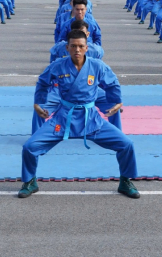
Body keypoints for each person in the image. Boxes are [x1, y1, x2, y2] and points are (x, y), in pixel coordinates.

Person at [18, 30, 139, 199]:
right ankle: (30, 181)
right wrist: (38, 103)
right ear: (67, 47)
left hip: (91, 119)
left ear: (86, 48)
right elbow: (43, 82)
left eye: (81, 46)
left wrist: (117, 101)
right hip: (63, 118)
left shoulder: (97, 66)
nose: (77, 49)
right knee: (29, 147)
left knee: (126, 144)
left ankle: (125, 181)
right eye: (73, 46)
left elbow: (112, 83)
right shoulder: (58, 65)